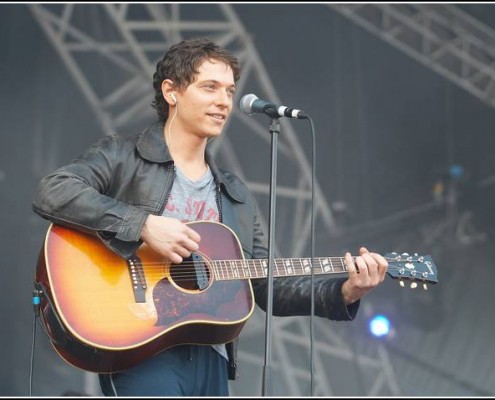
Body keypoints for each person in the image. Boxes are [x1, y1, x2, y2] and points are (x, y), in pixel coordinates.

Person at [32, 37, 389, 396]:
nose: (224, 101)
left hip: (212, 357)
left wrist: (344, 291)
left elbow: (267, 287)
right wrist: (142, 225)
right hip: (140, 345)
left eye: (230, 91)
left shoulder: (234, 195)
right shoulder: (123, 155)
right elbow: (54, 190)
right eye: (210, 88)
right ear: (171, 92)